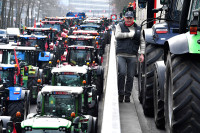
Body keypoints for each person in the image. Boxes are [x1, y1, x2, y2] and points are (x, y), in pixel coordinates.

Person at [115, 11, 145, 103]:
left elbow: (142, 41)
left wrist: (142, 54)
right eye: (127, 18)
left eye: (130, 18)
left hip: (132, 55)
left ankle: (127, 95)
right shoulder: (119, 26)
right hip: (121, 54)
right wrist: (130, 34)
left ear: (133, 18)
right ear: (124, 18)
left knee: (131, 76)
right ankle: (121, 94)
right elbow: (117, 35)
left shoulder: (138, 28)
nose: (128, 20)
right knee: (122, 73)